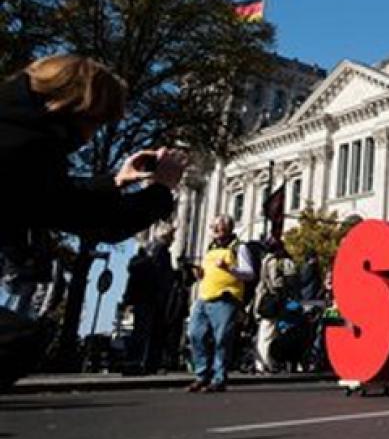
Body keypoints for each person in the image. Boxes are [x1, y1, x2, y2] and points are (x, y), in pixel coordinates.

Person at [0, 54, 187, 388]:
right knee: (17, 342)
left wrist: (116, 180)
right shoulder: (27, 146)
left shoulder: (18, 126)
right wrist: (161, 189)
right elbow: (97, 221)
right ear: (80, 108)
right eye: (98, 122)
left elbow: (54, 196)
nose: (90, 136)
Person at [188, 215, 256, 392]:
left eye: (217, 227)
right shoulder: (210, 247)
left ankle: (218, 378)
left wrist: (229, 268)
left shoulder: (239, 248)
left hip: (226, 298)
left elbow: (249, 273)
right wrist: (199, 273)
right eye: (213, 227)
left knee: (222, 339)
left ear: (228, 228)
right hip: (204, 297)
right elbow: (207, 273)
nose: (213, 230)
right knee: (195, 333)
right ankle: (201, 374)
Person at [124, 225, 177, 375]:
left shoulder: (147, 249)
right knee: (151, 331)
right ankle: (145, 363)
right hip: (152, 297)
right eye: (172, 236)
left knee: (141, 331)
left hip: (143, 297)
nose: (173, 239)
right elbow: (161, 275)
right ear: (166, 236)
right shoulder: (160, 251)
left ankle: (135, 363)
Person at [253, 234, 298, 373]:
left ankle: (262, 362)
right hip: (271, 300)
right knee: (268, 332)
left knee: (265, 331)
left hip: (264, 298)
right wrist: (283, 285)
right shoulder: (273, 261)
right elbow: (275, 282)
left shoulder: (265, 259)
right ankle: (265, 363)